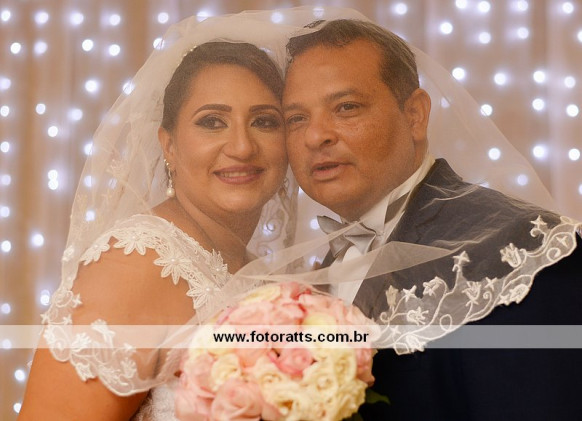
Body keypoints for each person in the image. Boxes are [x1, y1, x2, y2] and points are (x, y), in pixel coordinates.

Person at [283, 18, 582, 420]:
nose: (315, 135)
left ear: (415, 115)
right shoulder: (320, 272)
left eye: (346, 107)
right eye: (296, 118)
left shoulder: (523, 250)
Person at [18, 20, 294, 421]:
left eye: (264, 121)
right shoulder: (133, 266)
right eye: (212, 121)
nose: (241, 146)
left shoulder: (260, 275)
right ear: (169, 146)